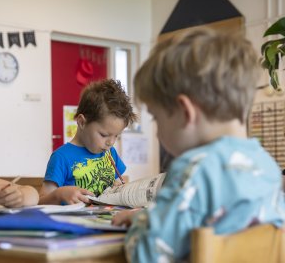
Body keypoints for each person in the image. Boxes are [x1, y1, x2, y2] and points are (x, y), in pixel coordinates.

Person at [112, 27, 285, 262]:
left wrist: (141, 223)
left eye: (156, 118)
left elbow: (149, 255)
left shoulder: (194, 169)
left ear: (185, 111)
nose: (157, 132)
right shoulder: (267, 167)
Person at [39, 79, 137, 205]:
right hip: (73, 222)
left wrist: (119, 189)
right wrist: (59, 195)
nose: (111, 142)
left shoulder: (110, 153)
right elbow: (41, 201)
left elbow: (118, 184)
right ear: (82, 122)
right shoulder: (61, 157)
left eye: (116, 136)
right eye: (104, 135)